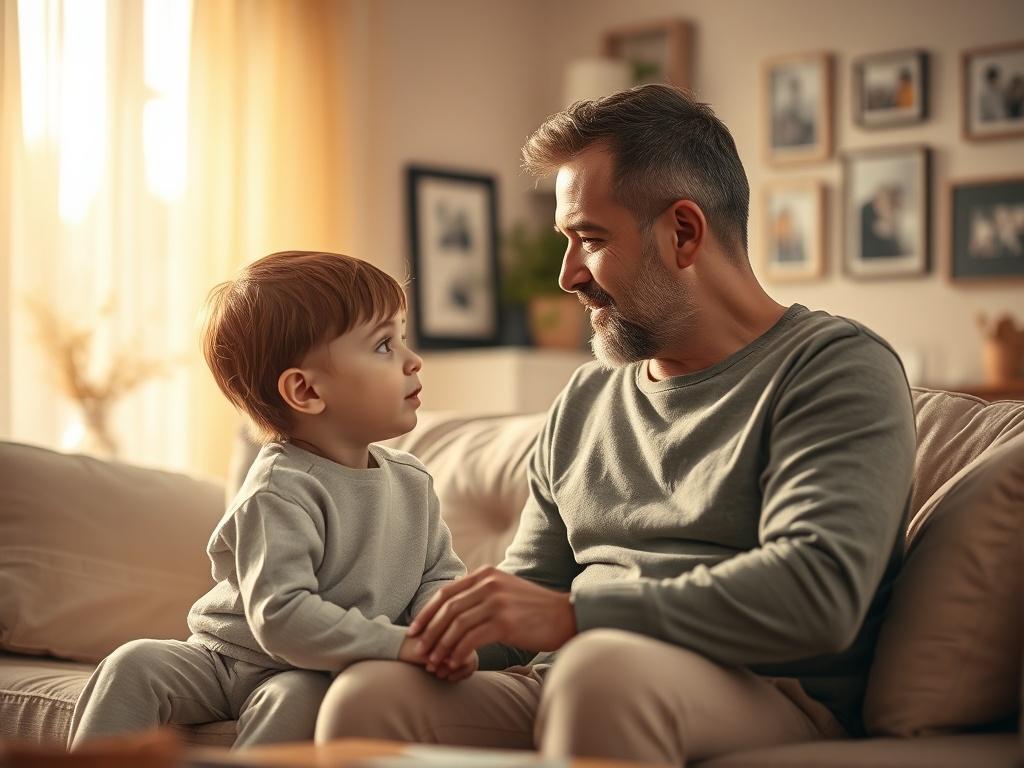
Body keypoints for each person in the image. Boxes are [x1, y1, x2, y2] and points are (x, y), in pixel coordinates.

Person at [314, 85, 917, 765]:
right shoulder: (587, 398)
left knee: (600, 672)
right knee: (370, 694)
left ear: (683, 232)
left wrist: (578, 617)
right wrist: (380, 627)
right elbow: (531, 593)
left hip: (766, 695)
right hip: (575, 676)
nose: (569, 275)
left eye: (590, 239)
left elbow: (817, 593)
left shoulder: (833, 368)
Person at [68, 251, 468, 750]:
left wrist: (443, 635)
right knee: (133, 664)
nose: (413, 359)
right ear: (305, 390)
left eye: (402, 336)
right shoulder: (279, 488)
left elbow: (441, 575)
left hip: (307, 672)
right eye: (385, 344)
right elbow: (282, 615)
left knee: (298, 698)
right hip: (221, 656)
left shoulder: (412, 483)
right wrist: (401, 645)